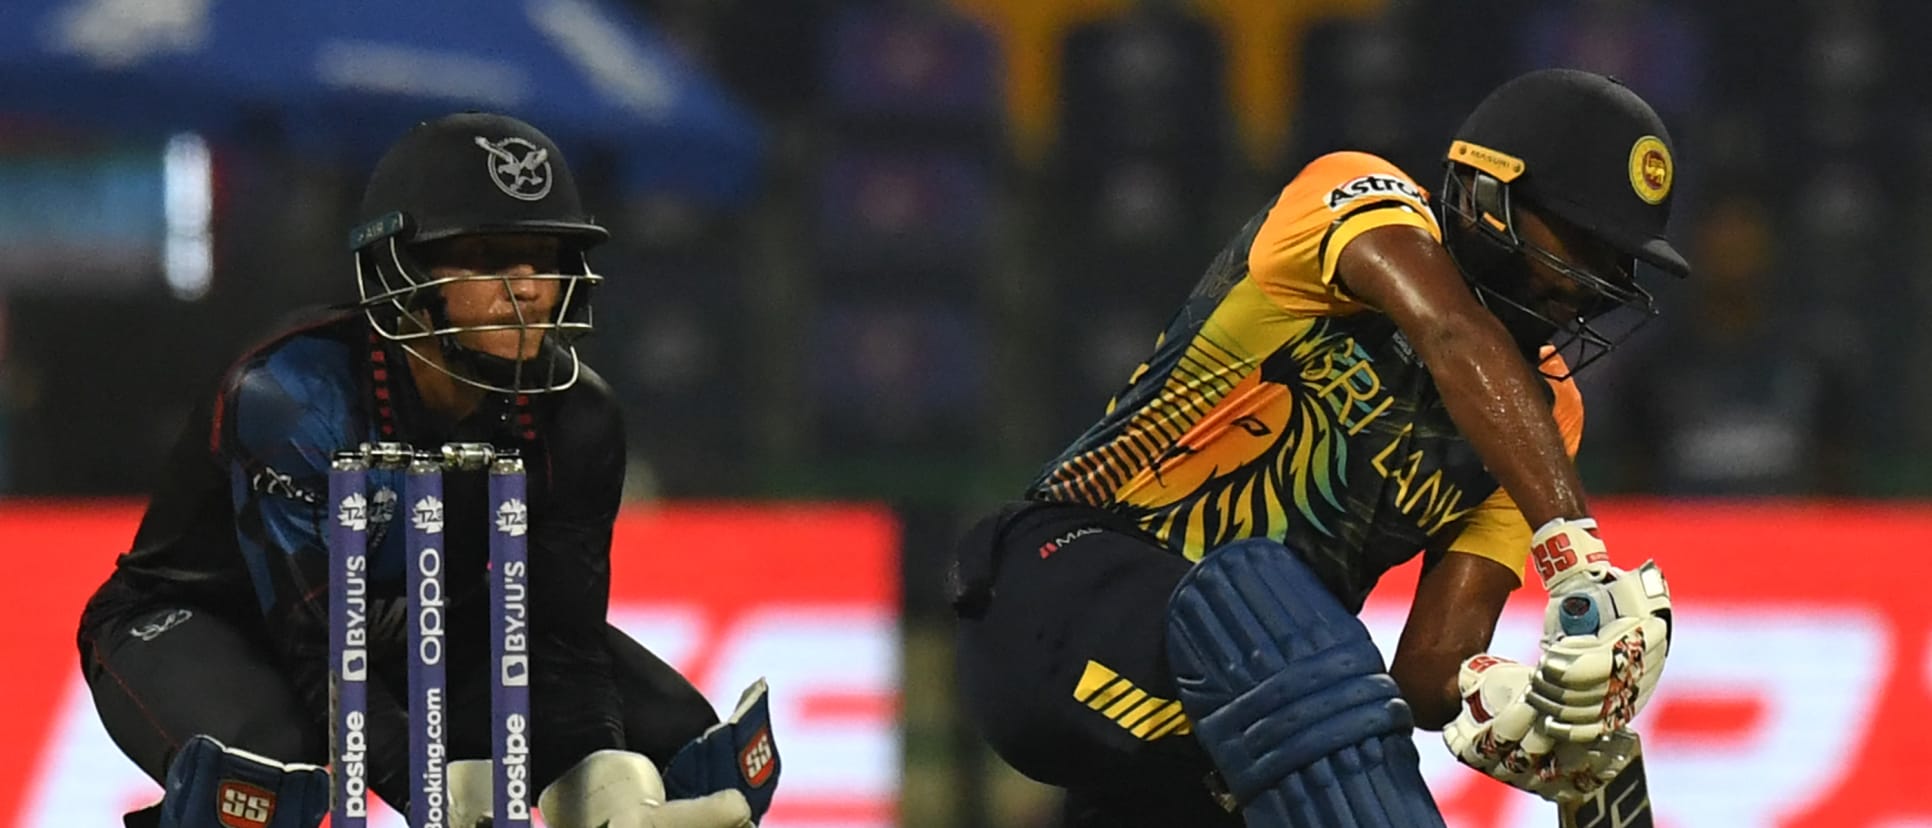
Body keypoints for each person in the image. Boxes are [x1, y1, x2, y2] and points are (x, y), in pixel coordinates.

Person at [949, 68, 1678, 826]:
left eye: (1619, 262)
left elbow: (1426, 675)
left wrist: (1511, 701)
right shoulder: (1362, 198)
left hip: (1221, 723)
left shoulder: (1547, 414)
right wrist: (1581, 563)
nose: (1594, 284)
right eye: (1584, 241)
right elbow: (1452, 333)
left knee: (1316, 690)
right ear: (1486, 193)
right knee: (1257, 592)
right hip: (1064, 597)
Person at [75, 113, 778, 828]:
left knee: (693, 759)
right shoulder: (293, 396)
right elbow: (323, 659)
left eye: (546, 256)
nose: (528, 289)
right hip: (210, 622)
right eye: (488, 257)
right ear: (402, 270)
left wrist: (603, 783)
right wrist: (434, 799)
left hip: (418, 626)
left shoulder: (579, 414)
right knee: (260, 788)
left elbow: (564, 650)